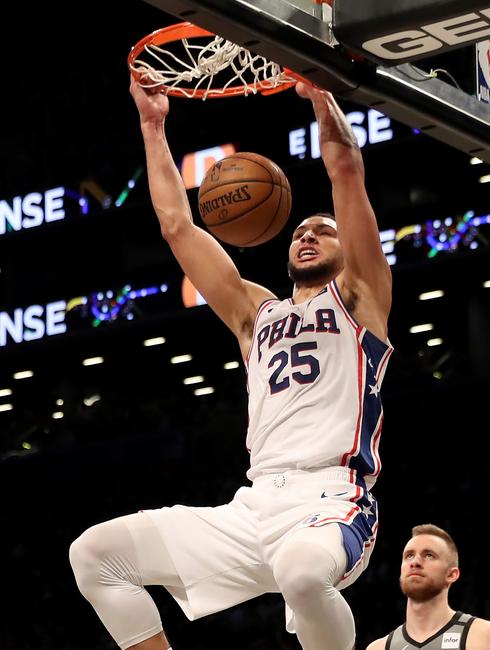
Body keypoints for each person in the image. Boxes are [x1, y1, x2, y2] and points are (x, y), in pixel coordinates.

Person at [68, 74, 393, 650]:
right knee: (94, 554)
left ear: (349, 251)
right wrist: (153, 126)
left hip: (331, 499)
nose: (309, 235)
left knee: (299, 574)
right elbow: (176, 225)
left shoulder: (361, 300)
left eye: (324, 231)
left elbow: (347, 173)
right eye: (301, 231)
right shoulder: (254, 315)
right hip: (253, 505)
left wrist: (323, 101)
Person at [367, 524, 490, 650]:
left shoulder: (482, 636)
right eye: (409, 555)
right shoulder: (378, 647)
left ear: (451, 574)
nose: (415, 562)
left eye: (429, 555)